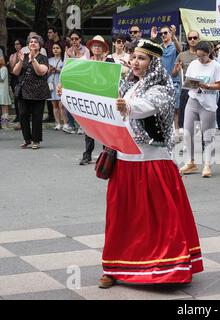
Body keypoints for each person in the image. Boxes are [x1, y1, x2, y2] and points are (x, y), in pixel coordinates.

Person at [98, 39, 203, 288]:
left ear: (153, 62)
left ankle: (167, 267)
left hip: (151, 161)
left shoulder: (162, 85)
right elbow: (106, 103)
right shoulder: (127, 84)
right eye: (133, 57)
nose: (135, 62)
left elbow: (148, 106)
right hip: (124, 159)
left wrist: (126, 105)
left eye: (142, 58)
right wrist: (72, 95)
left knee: (157, 219)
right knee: (121, 217)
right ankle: (114, 266)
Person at [179, 41, 220, 178]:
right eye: (198, 56)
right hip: (193, 99)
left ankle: (207, 164)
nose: (200, 59)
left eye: (203, 56)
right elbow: (187, 81)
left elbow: (219, 86)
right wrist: (191, 84)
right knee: (187, 132)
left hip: (208, 103)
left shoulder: (216, 66)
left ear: (209, 53)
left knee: (208, 135)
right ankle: (190, 162)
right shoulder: (193, 64)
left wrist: (208, 86)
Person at [79, 35, 115, 166]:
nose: (97, 48)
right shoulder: (86, 62)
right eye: (95, 46)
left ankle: (107, 155)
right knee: (89, 128)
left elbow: (113, 79)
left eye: (99, 46)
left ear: (103, 48)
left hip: (105, 98)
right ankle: (87, 154)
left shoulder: (109, 61)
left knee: (106, 127)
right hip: (90, 97)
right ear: (91, 48)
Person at [12, 34, 50, 149]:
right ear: (28, 45)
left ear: (40, 45)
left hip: (39, 91)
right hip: (24, 91)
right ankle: (26, 139)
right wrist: (20, 61)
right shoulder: (24, 55)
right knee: (23, 115)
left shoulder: (43, 58)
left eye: (36, 42)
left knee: (37, 116)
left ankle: (36, 140)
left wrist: (33, 59)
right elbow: (15, 72)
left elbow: (40, 72)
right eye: (31, 42)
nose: (33, 43)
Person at [151, 25, 182, 140]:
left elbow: (180, 50)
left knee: (175, 109)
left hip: (174, 81)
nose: (163, 35)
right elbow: (148, 52)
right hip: (161, 81)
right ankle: (164, 132)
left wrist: (174, 37)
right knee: (161, 108)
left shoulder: (174, 45)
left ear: (170, 33)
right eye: (161, 34)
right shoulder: (158, 47)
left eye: (165, 33)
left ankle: (177, 132)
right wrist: (153, 39)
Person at [173, 30, 200, 137]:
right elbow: (174, 74)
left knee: (200, 116)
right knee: (185, 116)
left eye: (195, 38)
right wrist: (176, 69)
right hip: (186, 89)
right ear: (187, 40)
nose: (192, 40)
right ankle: (187, 141)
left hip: (201, 89)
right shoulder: (182, 55)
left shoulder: (203, 54)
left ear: (199, 39)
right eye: (190, 38)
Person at [63, 30, 90, 134]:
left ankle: (82, 126)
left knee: (81, 104)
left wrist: (77, 54)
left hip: (82, 80)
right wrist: (69, 56)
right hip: (71, 80)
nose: (74, 41)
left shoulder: (86, 50)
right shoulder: (68, 51)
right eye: (72, 39)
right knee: (70, 102)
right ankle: (71, 124)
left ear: (80, 39)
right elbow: (66, 66)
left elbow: (85, 65)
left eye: (76, 39)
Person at [47, 42, 67, 131]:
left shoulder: (64, 60)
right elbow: (45, 73)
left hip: (60, 83)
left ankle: (65, 123)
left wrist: (57, 69)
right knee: (54, 104)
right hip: (51, 83)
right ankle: (58, 123)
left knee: (62, 104)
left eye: (57, 48)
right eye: (54, 48)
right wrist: (50, 70)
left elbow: (66, 72)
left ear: (61, 49)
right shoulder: (49, 60)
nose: (55, 49)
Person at [8, 39, 25, 123]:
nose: (16, 46)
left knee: (23, 98)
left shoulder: (25, 53)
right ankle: (18, 116)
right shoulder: (12, 55)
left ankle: (24, 116)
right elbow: (12, 67)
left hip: (22, 77)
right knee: (16, 97)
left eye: (18, 44)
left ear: (21, 45)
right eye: (15, 44)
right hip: (14, 77)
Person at [0, 54, 12, 129]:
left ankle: (5, 123)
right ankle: (2, 122)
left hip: (3, 90)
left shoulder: (4, 68)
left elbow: (1, 79)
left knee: (4, 105)